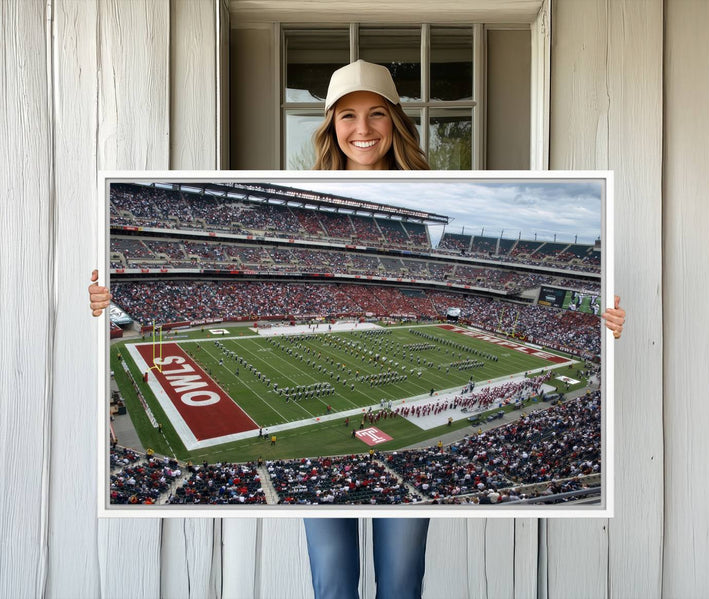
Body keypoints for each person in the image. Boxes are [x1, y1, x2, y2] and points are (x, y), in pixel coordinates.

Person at [88, 58, 626, 599]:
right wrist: (97, 303)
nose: (362, 129)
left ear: (396, 121)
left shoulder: (437, 190)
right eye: (347, 116)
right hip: (333, 399)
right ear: (330, 126)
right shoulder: (303, 182)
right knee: (333, 580)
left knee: (400, 580)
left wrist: (604, 322)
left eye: (376, 115)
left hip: (391, 411)